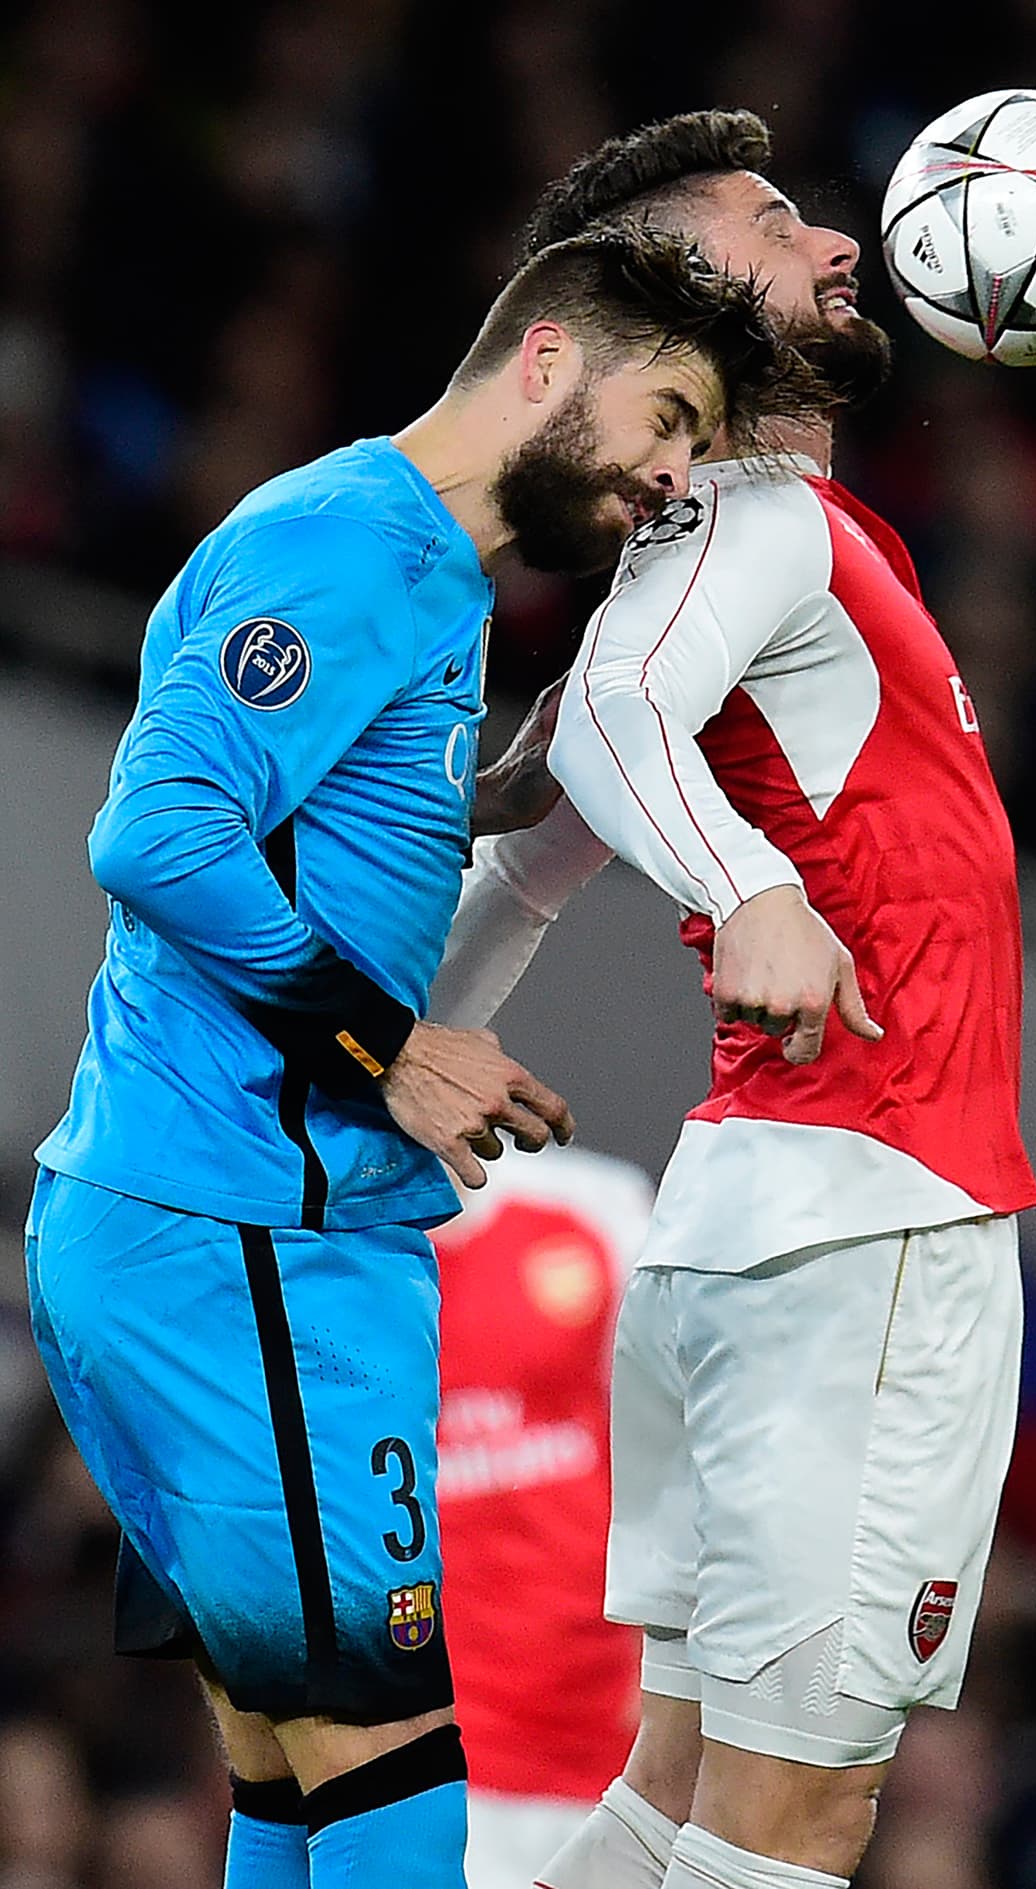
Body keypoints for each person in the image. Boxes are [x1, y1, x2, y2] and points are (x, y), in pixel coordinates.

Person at [23, 222, 817, 1889]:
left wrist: (466, 801)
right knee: (397, 1781)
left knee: (293, 1776)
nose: (675, 479)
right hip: (241, 1224)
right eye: (665, 417)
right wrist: (392, 1045)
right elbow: (158, 829)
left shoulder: (424, 577)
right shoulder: (351, 543)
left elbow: (284, 819)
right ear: (546, 362)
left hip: (223, 1218)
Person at [432, 111, 1036, 1889]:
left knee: (676, 1792)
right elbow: (615, 715)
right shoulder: (755, 523)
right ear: (681, 294)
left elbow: (528, 856)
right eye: (779, 225)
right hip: (867, 1224)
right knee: (792, 1818)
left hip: (755, 1235)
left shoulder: (773, 541)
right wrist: (750, 888)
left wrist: (396, 1060)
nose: (843, 242)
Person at [431, 1142, 653, 1888]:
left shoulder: (595, 1207)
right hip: (429, 1740)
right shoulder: (314, 1254)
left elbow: (687, 1444)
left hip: (613, 1716)